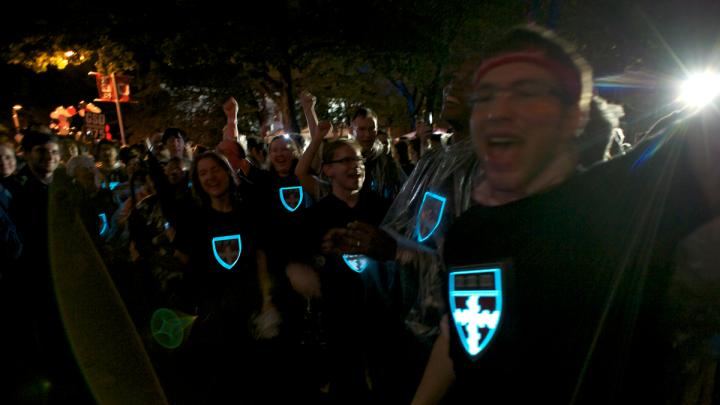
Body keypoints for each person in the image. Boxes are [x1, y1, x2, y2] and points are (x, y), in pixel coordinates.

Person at [418, 25, 719, 404]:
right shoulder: (469, 232)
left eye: (526, 93)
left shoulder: (624, 198)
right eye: (486, 96)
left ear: (573, 115)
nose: (499, 111)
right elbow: (459, 338)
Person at [171, 151, 280, 402]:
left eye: (215, 169)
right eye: (203, 172)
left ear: (227, 173)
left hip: (249, 306)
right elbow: (182, 262)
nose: (211, 177)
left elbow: (260, 259)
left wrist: (267, 301)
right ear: (197, 181)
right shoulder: (194, 220)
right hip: (213, 315)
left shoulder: (248, 212)